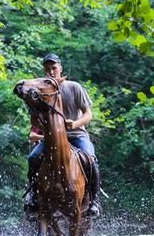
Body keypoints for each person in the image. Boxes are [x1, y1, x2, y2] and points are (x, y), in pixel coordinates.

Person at [24, 53, 101, 218]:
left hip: (77, 135)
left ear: (60, 68)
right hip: (52, 139)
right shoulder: (40, 92)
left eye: (54, 68)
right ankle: (33, 198)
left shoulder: (74, 87)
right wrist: (46, 128)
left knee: (91, 158)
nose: (51, 72)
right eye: (47, 69)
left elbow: (88, 114)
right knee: (33, 158)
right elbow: (35, 122)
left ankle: (94, 200)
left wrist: (75, 123)